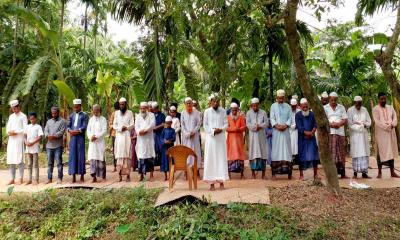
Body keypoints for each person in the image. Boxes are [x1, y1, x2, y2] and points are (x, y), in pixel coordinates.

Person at [203, 95, 229, 191]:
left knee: (221, 158)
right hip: (211, 139)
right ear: (210, 102)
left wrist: (221, 129)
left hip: (221, 138)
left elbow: (226, 123)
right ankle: (211, 184)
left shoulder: (223, 111)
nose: (215, 103)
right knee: (211, 159)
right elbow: (205, 125)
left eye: (217, 101)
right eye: (213, 101)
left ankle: (221, 182)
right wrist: (213, 131)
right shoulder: (207, 111)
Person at [372, 92, 400, 178]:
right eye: (382, 99)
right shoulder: (375, 109)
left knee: (390, 151)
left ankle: (392, 172)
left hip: (391, 133)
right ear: (378, 99)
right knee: (381, 152)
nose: (383, 100)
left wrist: (392, 125)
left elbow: (395, 118)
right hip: (382, 134)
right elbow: (377, 121)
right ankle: (379, 172)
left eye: (384, 99)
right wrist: (387, 127)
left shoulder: (391, 108)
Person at [324, 92, 348, 179]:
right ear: (329, 99)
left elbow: (345, 119)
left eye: (335, 100)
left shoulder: (341, 107)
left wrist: (338, 124)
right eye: (332, 100)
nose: (333, 102)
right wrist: (332, 125)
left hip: (340, 132)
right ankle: (332, 174)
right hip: (330, 133)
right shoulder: (325, 108)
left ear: (337, 99)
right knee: (331, 153)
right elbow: (324, 120)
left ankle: (343, 173)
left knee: (341, 153)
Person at [270, 90, 293, 180]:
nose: (281, 99)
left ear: (284, 97)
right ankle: (274, 174)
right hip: (276, 132)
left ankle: (289, 174)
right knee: (276, 151)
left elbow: (290, 118)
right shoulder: (273, 106)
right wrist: (277, 126)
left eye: (282, 98)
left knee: (287, 150)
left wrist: (285, 125)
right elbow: (272, 118)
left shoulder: (288, 106)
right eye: (279, 98)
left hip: (286, 131)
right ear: (277, 97)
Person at [347, 96, 372, 179]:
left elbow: (369, 121)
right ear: (354, 103)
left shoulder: (364, 109)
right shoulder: (350, 110)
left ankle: (364, 173)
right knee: (356, 153)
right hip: (355, 136)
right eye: (357, 103)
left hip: (364, 135)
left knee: (364, 153)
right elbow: (350, 124)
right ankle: (355, 173)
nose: (359, 105)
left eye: (360, 103)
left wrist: (364, 125)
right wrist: (359, 127)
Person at [295, 98, 320, 180]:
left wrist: (312, 132)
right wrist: (306, 133)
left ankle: (315, 174)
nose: (305, 109)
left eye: (306, 107)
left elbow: (315, 124)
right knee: (301, 156)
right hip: (302, 138)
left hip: (311, 138)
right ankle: (301, 175)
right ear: (300, 106)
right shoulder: (298, 115)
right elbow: (299, 127)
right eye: (303, 107)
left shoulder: (312, 114)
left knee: (314, 156)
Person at [113, 97, 135, 182]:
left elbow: (133, 124)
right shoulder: (116, 113)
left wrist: (127, 128)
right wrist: (119, 128)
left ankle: (128, 176)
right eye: (120, 104)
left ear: (125, 104)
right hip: (119, 137)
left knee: (127, 156)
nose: (121, 106)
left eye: (123, 104)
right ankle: (120, 176)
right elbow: (114, 125)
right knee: (119, 157)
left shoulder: (130, 113)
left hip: (126, 136)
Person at [6, 100, 28, 185]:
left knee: (20, 159)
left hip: (19, 140)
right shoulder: (11, 116)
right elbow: (8, 128)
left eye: (15, 108)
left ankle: (21, 178)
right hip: (11, 140)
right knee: (11, 159)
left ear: (18, 107)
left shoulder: (23, 116)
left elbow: (25, 129)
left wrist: (16, 132)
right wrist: (9, 132)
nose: (14, 110)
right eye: (12, 108)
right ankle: (12, 178)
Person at [246, 98, 268, 179]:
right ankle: (252, 174)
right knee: (252, 154)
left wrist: (260, 126)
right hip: (253, 137)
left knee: (263, 153)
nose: (255, 107)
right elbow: (247, 124)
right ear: (251, 106)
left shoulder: (263, 112)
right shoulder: (248, 113)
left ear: (258, 105)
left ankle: (263, 174)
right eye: (253, 106)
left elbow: (266, 123)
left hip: (261, 136)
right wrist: (255, 127)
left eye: (256, 106)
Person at [67, 99, 89, 183]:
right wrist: (70, 131)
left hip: (80, 138)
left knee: (80, 156)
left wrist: (77, 131)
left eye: (77, 107)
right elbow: (68, 126)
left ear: (80, 106)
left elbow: (84, 126)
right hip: (73, 138)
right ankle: (73, 176)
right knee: (73, 156)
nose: (75, 109)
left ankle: (82, 175)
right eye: (74, 107)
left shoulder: (84, 115)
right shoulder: (71, 115)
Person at [44, 107, 66, 184]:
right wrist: (47, 136)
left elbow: (62, 131)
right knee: (50, 163)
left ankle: (60, 178)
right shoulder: (48, 122)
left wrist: (54, 136)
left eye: (55, 113)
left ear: (58, 112)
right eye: (52, 113)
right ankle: (49, 178)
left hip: (58, 146)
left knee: (59, 163)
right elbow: (45, 130)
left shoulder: (62, 121)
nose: (53, 115)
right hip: (49, 146)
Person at [135, 102, 156, 181]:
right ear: (140, 108)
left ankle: (151, 175)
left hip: (148, 139)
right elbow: (136, 127)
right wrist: (139, 132)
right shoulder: (138, 116)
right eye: (141, 108)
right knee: (141, 157)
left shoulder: (151, 115)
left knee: (150, 157)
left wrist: (145, 130)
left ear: (147, 108)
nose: (143, 110)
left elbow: (152, 124)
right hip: (141, 140)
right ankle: (140, 175)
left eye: (144, 108)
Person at [87, 104, 108, 183]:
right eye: (94, 110)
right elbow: (88, 130)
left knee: (101, 159)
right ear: (92, 111)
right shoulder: (91, 120)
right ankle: (93, 177)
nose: (95, 112)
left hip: (99, 142)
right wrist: (90, 137)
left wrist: (96, 136)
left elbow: (104, 130)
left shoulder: (103, 119)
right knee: (93, 160)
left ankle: (103, 177)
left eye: (97, 110)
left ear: (100, 110)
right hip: (92, 143)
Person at [226, 102, 247, 179]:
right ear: (231, 110)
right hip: (231, 140)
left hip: (239, 140)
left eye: (236, 110)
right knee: (230, 156)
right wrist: (233, 129)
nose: (234, 112)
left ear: (237, 109)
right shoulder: (228, 117)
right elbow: (226, 128)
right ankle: (229, 174)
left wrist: (239, 129)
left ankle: (242, 174)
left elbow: (244, 127)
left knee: (240, 155)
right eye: (233, 110)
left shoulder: (241, 117)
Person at [181, 97, 202, 170]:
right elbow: (182, 125)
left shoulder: (196, 112)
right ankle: (187, 170)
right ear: (185, 104)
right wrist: (187, 133)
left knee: (195, 152)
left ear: (192, 104)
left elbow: (199, 124)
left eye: (190, 103)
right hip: (186, 137)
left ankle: (197, 170)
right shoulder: (183, 113)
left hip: (194, 136)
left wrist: (194, 131)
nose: (189, 104)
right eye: (187, 103)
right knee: (186, 152)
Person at [24, 112, 43, 185]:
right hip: (28, 147)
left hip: (34, 147)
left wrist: (32, 143)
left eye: (33, 119)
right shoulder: (27, 126)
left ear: (36, 119)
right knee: (29, 164)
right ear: (29, 119)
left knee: (35, 164)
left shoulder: (38, 127)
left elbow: (40, 137)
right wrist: (26, 141)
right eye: (30, 119)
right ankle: (29, 179)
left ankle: (36, 179)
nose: (32, 120)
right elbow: (25, 135)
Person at [160, 116, 176, 180]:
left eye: (169, 123)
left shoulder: (173, 130)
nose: (168, 124)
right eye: (166, 123)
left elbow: (174, 138)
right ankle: (165, 176)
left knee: (171, 161)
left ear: (171, 123)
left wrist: (170, 141)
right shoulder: (164, 130)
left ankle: (171, 175)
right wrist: (164, 141)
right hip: (165, 148)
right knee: (165, 161)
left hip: (171, 148)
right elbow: (161, 138)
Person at [152, 102, 165, 173]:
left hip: (160, 134)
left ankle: (161, 166)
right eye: (153, 109)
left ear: (157, 108)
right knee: (154, 150)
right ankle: (153, 166)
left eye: (155, 109)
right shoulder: (152, 115)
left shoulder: (162, 115)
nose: (154, 110)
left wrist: (156, 127)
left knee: (160, 150)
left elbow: (163, 124)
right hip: (153, 135)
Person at [109, 101, 120, 172]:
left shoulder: (113, 114)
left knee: (115, 151)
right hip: (120, 134)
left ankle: (115, 166)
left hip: (114, 135)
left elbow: (110, 124)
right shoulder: (122, 113)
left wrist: (110, 133)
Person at [290, 98, 300, 165]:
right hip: (290, 131)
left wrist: (297, 125)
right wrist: (293, 126)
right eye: (292, 106)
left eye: (294, 106)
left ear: (296, 105)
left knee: (297, 145)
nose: (293, 107)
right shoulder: (287, 111)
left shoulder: (299, 111)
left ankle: (297, 160)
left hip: (298, 130)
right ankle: (291, 160)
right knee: (291, 145)